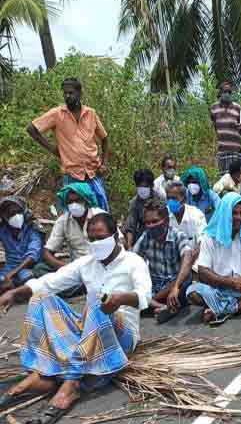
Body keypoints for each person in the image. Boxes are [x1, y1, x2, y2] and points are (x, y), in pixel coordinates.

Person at [0, 213, 150, 424]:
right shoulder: (86, 263)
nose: (96, 243)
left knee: (97, 305)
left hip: (120, 336)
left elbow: (145, 295)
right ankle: (44, 371)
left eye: (101, 237)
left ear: (115, 236)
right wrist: (15, 293)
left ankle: (70, 384)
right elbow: (50, 282)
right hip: (89, 329)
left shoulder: (133, 262)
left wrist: (119, 299)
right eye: (91, 238)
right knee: (42, 300)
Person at [187, 193, 241, 325]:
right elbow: (203, 272)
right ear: (224, 213)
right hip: (220, 290)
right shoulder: (210, 237)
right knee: (192, 292)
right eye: (234, 213)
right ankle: (239, 307)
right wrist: (231, 283)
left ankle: (223, 309)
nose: (238, 217)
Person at [27, 77, 109, 210]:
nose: (67, 96)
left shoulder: (91, 114)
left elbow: (104, 139)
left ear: (79, 93)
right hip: (73, 175)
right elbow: (31, 129)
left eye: (71, 93)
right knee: (73, 215)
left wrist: (104, 164)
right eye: (65, 93)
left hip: (93, 174)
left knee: (101, 213)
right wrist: (53, 149)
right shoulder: (57, 114)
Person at [33, 183, 104, 296]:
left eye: (77, 200)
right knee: (39, 269)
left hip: (99, 266)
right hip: (75, 270)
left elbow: (119, 242)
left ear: (85, 201)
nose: (74, 205)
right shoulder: (63, 221)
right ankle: (82, 287)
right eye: (70, 202)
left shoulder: (100, 216)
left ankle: (69, 288)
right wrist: (62, 266)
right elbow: (47, 252)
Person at [132, 199, 193, 323]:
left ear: (166, 220)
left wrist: (175, 287)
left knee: (185, 281)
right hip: (154, 284)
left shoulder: (178, 235)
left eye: (155, 221)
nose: (151, 226)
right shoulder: (145, 236)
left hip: (174, 283)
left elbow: (187, 259)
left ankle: (150, 303)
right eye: (147, 222)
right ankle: (161, 306)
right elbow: (132, 261)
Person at [0, 197, 44, 294]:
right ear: (5, 217)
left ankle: (14, 292)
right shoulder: (3, 229)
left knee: (27, 279)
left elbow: (32, 256)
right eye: (11, 214)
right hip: (9, 268)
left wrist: (12, 273)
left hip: (29, 268)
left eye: (18, 212)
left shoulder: (33, 228)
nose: (16, 216)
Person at [210, 81, 241, 177]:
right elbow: (215, 126)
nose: (227, 94)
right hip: (223, 151)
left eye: (229, 92)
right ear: (220, 92)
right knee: (224, 181)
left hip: (236, 151)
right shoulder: (214, 108)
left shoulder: (237, 108)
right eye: (225, 91)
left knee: (237, 179)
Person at [166, 180, 207, 255]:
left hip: (195, 261)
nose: (170, 201)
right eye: (168, 198)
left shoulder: (196, 215)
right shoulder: (166, 217)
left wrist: (188, 263)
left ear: (184, 199)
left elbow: (202, 242)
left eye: (174, 198)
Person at [123, 168, 159, 249]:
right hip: (143, 234)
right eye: (140, 186)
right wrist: (129, 246)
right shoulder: (134, 203)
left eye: (145, 186)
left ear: (151, 185)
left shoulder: (160, 199)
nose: (142, 189)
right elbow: (130, 226)